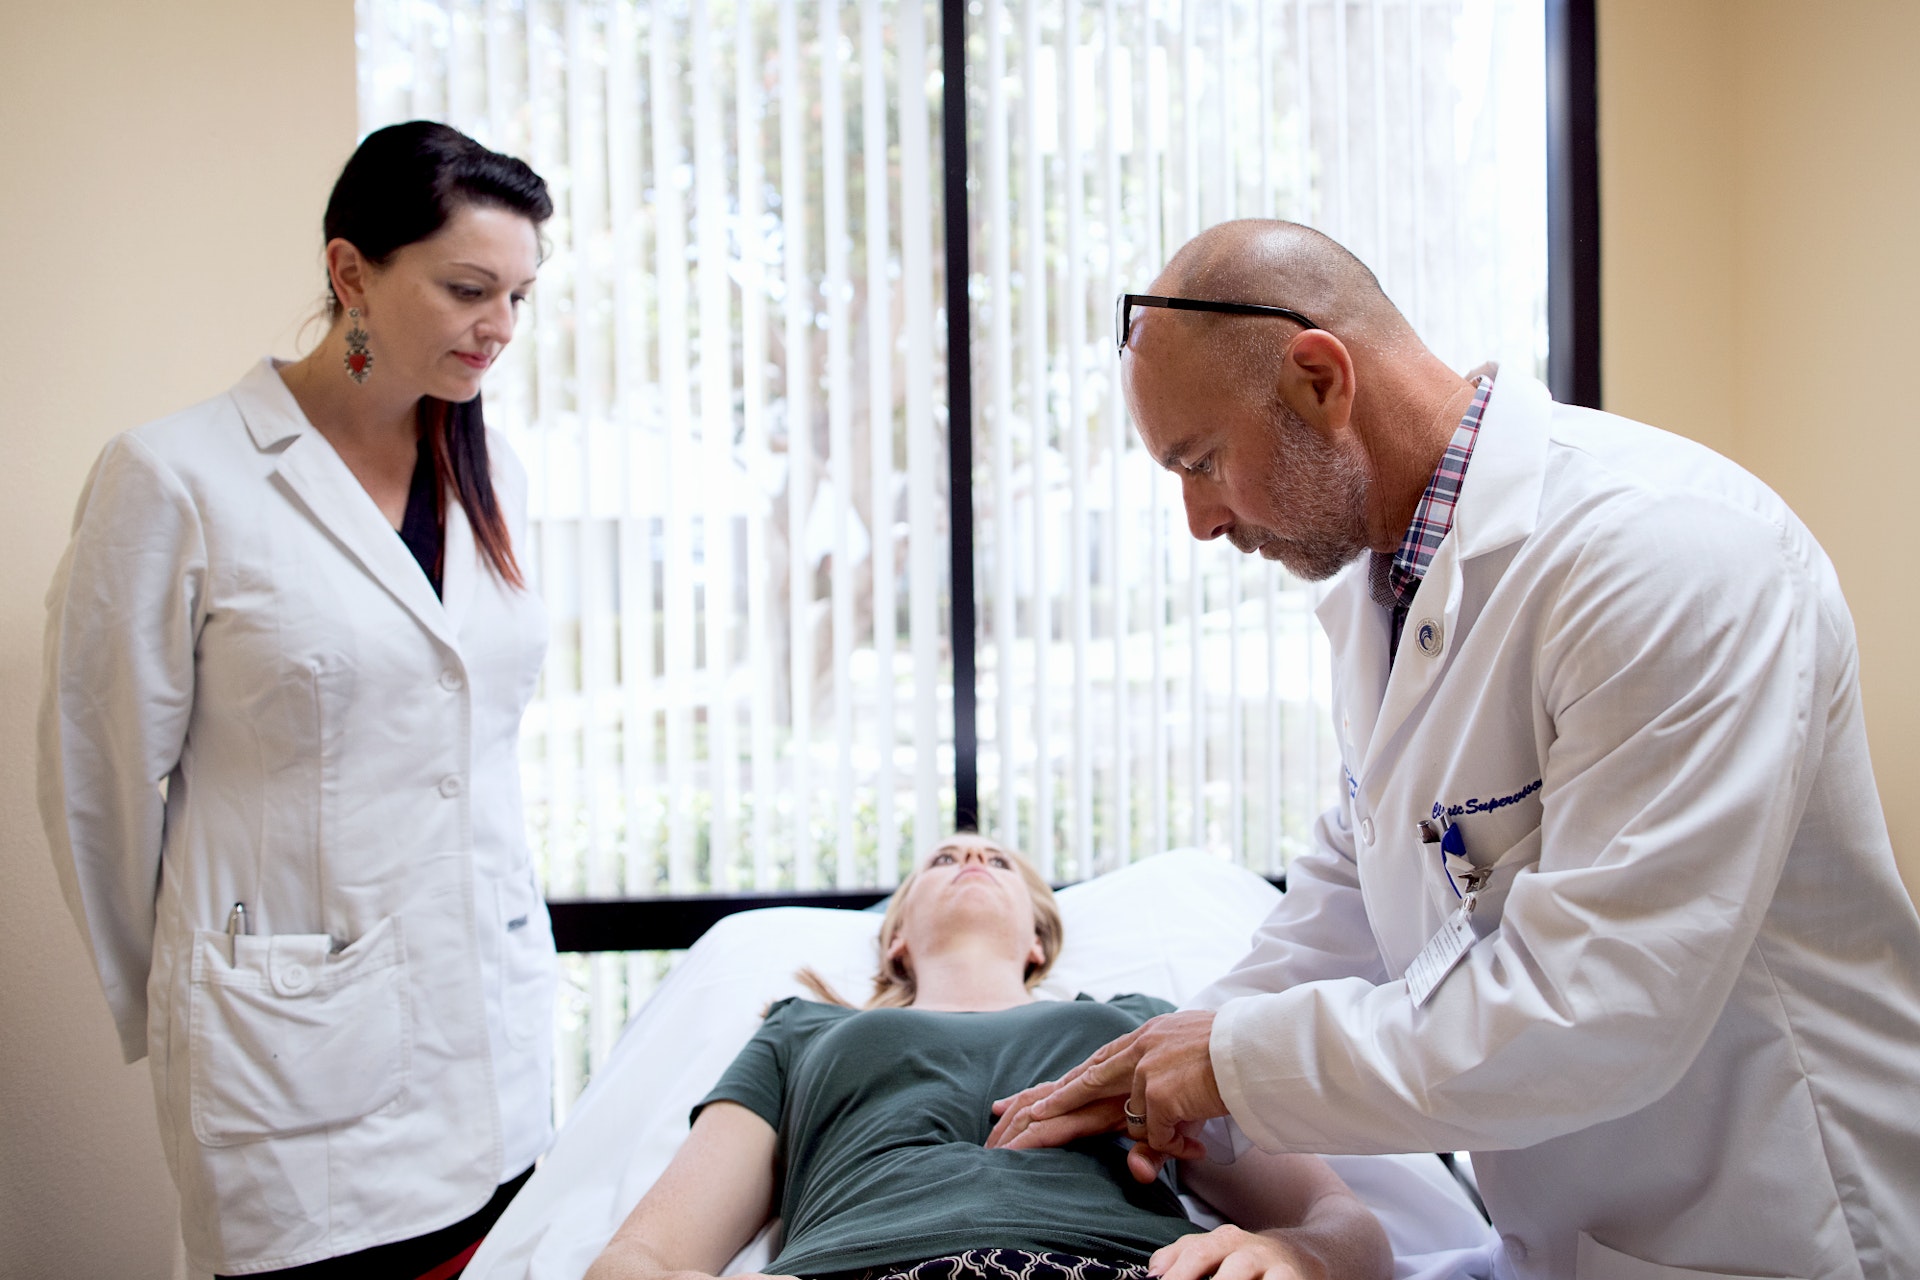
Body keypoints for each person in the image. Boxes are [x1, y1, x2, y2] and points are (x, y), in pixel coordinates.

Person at [987, 220, 1920, 1279]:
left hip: (1774, 1236)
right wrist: (1170, 1066)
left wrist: (1233, 1064)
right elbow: (1358, 889)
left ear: (1319, 380)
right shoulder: (1393, 591)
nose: (1199, 520)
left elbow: (1598, 1008)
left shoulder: (1668, 555)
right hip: (1565, 1242)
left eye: (1201, 462)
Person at [39, 121, 559, 1278]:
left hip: (493, 1037)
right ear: (350, 273)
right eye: (468, 288)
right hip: (294, 1069)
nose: (501, 327)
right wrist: (208, 991)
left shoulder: (495, 476)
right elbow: (96, 782)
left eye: (520, 296)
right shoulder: (177, 477)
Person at [586, 833, 1392, 1280]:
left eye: (998, 861)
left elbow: (1344, 1225)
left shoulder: (1145, 1027)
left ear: (1039, 940)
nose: (971, 860)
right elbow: (636, 1260)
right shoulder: (801, 1031)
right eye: (943, 860)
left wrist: (1294, 1256)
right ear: (896, 938)